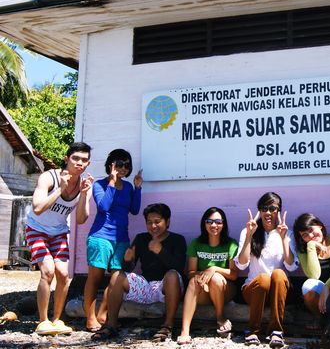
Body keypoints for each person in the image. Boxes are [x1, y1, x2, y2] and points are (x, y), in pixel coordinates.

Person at [25, 142, 94, 335]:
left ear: (88, 164)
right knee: (47, 271)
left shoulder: (84, 185)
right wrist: (60, 190)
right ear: (67, 159)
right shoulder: (49, 177)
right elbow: (37, 208)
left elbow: (81, 219)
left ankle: (57, 319)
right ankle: (43, 320)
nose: (80, 163)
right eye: (76, 158)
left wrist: (83, 194)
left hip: (59, 231)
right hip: (36, 228)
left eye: (84, 160)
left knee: (63, 274)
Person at [91, 203, 186, 341]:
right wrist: (127, 260)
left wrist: (160, 251)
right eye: (149, 222)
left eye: (157, 221)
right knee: (117, 274)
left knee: (172, 275)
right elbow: (128, 269)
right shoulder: (141, 238)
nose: (153, 226)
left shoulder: (177, 240)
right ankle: (111, 325)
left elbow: (178, 267)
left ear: (167, 221)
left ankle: (168, 325)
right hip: (145, 285)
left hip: (166, 288)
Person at [83, 148, 143, 332]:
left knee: (116, 280)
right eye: (119, 164)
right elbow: (104, 206)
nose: (123, 168)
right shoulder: (100, 185)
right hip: (100, 237)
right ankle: (90, 318)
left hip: (121, 238)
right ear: (111, 165)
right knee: (95, 278)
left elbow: (134, 210)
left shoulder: (128, 187)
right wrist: (111, 182)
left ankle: (103, 313)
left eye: (127, 165)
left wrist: (138, 188)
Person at [234, 192, 299, 348]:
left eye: (272, 208)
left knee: (278, 273)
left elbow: (291, 265)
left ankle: (276, 331)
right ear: (259, 211)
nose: (268, 212)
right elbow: (241, 264)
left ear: (278, 211)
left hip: (279, 290)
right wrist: (249, 235)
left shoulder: (287, 234)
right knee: (263, 279)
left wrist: (283, 238)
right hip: (254, 289)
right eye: (264, 208)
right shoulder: (248, 231)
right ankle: (253, 331)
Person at [176, 207, 239, 345]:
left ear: (223, 224)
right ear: (204, 224)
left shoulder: (231, 244)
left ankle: (220, 317)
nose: (214, 225)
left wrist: (214, 269)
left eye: (218, 221)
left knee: (216, 278)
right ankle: (185, 331)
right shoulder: (196, 243)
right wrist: (203, 276)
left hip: (225, 289)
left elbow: (234, 275)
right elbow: (191, 272)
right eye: (209, 221)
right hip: (203, 290)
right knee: (193, 281)